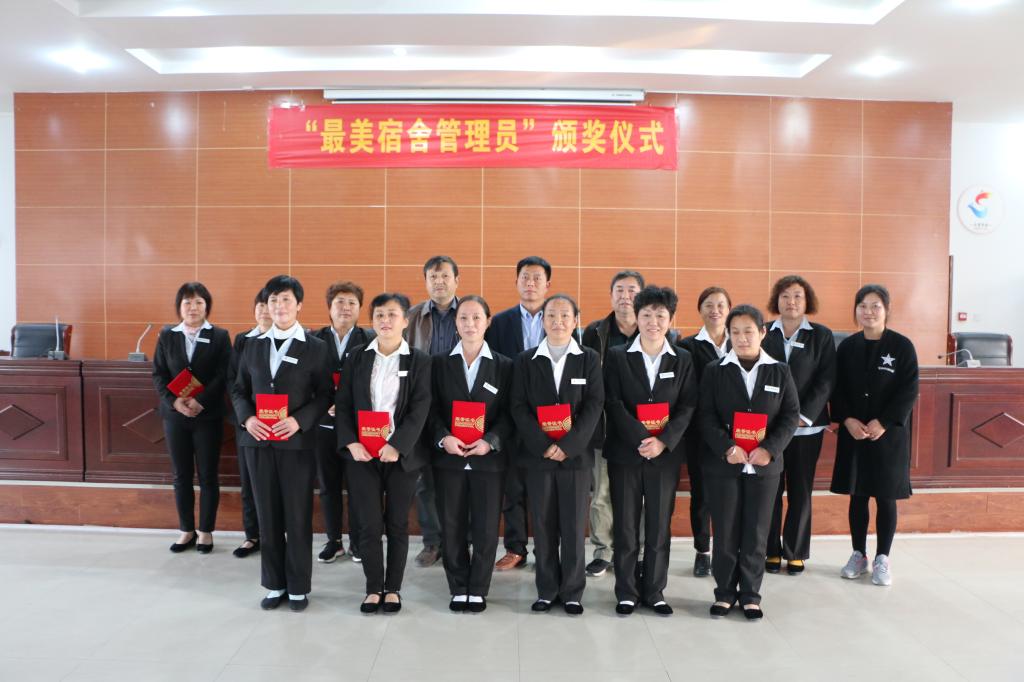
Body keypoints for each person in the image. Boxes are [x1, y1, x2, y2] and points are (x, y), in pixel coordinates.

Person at [231, 275, 332, 612]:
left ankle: (299, 586)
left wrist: (299, 421)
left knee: (297, 516)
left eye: (286, 299)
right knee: (267, 515)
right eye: (273, 300)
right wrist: (248, 419)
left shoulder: (316, 347)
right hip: (258, 442)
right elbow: (238, 389)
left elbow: (325, 394)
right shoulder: (252, 344)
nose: (279, 306)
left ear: (299, 304)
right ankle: (275, 584)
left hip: (296, 444)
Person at [697, 304, 799, 620]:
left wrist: (770, 448)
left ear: (762, 333)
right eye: (736, 332)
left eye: (749, 331)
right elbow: (705, 415)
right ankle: (725, 593)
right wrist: (727, 447)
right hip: (725, 465)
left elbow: (790, 415)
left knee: (756, 531)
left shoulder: (780, 370)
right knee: (726, 530)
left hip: (764, 466)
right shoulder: (715, 370)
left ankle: (751, 595)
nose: (742, 338)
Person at [602, 286, 697, 616]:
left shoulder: (683, 358)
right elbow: (612, 402)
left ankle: (655, 590)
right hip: (626, 454)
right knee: (626, 525)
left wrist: (663, 441)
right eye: (646, 315)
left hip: (664, 456)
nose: (653, 321)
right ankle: (627, 591)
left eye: (660, 315)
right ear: (636, 317)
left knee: (658, 526)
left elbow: (688, 405)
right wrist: (642, 439)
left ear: (671, 319)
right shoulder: (617, 356)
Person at [336, 293, 432, 614]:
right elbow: (344, 404)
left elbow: (420, 407)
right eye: (379, 315)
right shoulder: (356, 357)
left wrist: (397, 445)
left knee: (397, 524)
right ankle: (373, 587)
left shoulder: (419, 360)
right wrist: (351, 443)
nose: (385, 320)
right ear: (372, 321)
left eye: (392, 314)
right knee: (368, 523)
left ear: (405, 321)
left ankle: (393, 588)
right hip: (362, 454)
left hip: (401, 456)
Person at [510, 294, 603, 615]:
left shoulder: (588, 358)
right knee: (544, 525)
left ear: (576, 321)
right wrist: (542, 444)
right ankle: (547, 589)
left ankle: (573, 591)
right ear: (543, 321)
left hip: (575, 458)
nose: (558, 321)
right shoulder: (526, 360)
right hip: (538, 457)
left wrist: (568, 446)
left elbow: (594, 405)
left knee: (574, 527)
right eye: (551, 315)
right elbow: (518, 406)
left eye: (565, 315)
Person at [428, 295, 514, 613]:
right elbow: (430, 409)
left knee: (486, 526)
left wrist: (490, 441)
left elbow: (510, 413)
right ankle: (458, 585)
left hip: (488, 459)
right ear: (456, 323)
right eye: (463, 318)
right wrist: (443, 438)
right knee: (451, 525)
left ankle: (478, 587)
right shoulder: (438, 363)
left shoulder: (505, 365)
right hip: (448, 458)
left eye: (477, 317)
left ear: (488, 322)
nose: (470, 324)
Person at [830, 284, 918, 587]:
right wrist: (847, 419)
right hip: (855, 433)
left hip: (888, 436)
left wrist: (885, 421)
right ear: (856, 310)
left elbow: (909, 389)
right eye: (863, 306)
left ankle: (883, 557)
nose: (868, 312)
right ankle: (858, 554)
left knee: (885, 496)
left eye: (875, 306)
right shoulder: (847, 347)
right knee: (857, 494)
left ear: (887, 310)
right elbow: (836, 388)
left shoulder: (902, 346)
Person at [762, 275, 836, 575]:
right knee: (770, 489)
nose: (791, 302)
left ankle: (795, 551)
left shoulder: (821, 336)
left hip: (807, 428)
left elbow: (826, 380)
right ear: (776, 300)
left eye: (797, 296)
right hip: (769, 429)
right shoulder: (763, 332)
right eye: (785, 296)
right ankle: (770, 549)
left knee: (800, 490)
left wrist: (803, 416)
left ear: (807, 302)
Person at [152, 281, 231, 554]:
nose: (193, 307)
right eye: (187, 302)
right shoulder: (167, 335)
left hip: (207, 416)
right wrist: (174, 401)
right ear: (179, 307)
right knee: (181, 475)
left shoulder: (220, 336)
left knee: (208, 475)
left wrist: (201, 401)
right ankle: (186, 530)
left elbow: (224, 374)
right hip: (175, 417)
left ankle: (206, 531)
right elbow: (159, 373)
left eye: (198, 302)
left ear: (207, 306)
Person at [486, 256, 552, 571]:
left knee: (545, 488)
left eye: (537, 278)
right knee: (512, 486)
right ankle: (516, 548)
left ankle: (547, 549)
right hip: (511, 416)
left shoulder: (560, 318)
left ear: (547, 284)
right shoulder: (499, 323)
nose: (530, 283)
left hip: (550, 419)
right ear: (516, 282)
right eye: (525, 277)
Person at [581, 270, 644, 578]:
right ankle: (603, 552)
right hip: (604, 427)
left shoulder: (655, 330)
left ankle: (637, 551)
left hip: (643, 430)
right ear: (611, 296)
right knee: (601, 495)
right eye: (619, 290)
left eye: (632, 290)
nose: (625, 296)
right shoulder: (594, 332)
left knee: (639, 495)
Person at [311, 281, 375, 564]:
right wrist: (325, 403)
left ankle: (358, 542)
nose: (345, 308)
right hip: (323, 424)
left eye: (352, 303)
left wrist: (347, 404)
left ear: (360, 309)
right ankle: (334, 540)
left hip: (358, 428)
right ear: (329, 307)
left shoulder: (370, 338)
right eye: (340, 302)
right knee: (329, 485)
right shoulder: (314, 340)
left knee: (359, 486)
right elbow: (305, 380)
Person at [405, 255, 461, 568]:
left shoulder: (469, 312)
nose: (439, 282)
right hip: (421, 404)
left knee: (460, 477)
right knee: (424, 479)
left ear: (456, 280)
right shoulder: (411, 317)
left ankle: (460, 540)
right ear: (426, 281)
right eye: (433, 277)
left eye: (444, 276)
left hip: (461, 404)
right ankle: (432, 541)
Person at [677, 286, 732, 577]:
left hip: (738, 434)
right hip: (700, 433)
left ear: (729, 309)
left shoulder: (741, 341)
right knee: (702, 494)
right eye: (708, 305)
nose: (715, 310)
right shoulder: (687, 346)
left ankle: (730, 550)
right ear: (700, 310)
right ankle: (703, 551)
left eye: (721, 305)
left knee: (733, 494)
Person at [226, 289, 271, 558]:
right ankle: (252, 535)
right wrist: (247, 417)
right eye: (260, 305)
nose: (265, 310)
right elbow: (234, 381)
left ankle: (274, 534)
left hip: (280, 424)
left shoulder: (293, 340)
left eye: (269, 304)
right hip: (247, 422)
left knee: (275, 484)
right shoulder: (243, 340)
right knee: (249, 480)